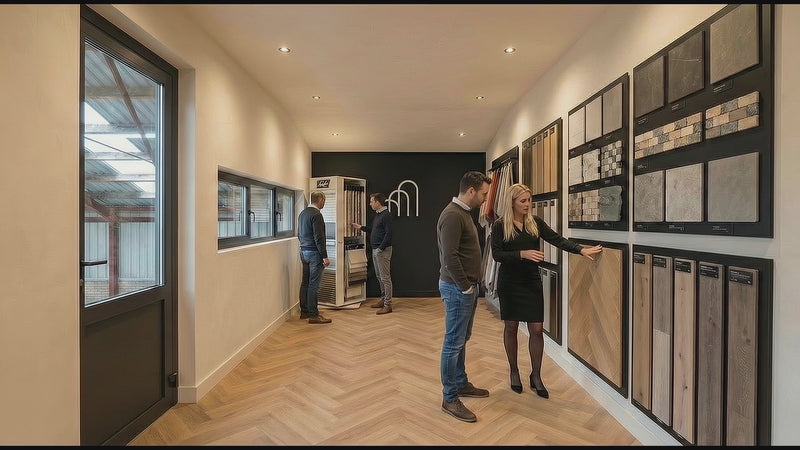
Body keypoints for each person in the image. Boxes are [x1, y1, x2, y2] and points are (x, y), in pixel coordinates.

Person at [491, 183, 602, 397]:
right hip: (510, 283)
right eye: (523, 201)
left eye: (529, 200)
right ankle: (514, 371)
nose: (527, 204)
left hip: (531, 281)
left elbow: (556, 239)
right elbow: (497, 255)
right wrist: (522, 254)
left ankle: (536, 375)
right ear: (512, 202)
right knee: (511, 327)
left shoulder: (535, 223)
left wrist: (580, 249)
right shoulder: (500, 225)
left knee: (536, 329)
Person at [436, 170, 492, 423]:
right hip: (458, 289)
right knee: (453, 343)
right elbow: (450, 256)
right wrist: (465, 287)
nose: (485, 198)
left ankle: (460, 383)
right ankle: (450, 398)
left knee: (461, 339)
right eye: (483, 194)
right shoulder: (452, 215)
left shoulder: (463, 213)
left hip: (465, 288)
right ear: (471, 191)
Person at [351, 192, 393, 315]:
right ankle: (383, 300)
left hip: (382, 251)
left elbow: (389, 234)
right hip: (377, 250)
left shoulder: (386, 215)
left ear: (377, 202)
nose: (370, 204)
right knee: (379, 277)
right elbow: (374, 230)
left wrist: (380, 248)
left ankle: (388, 305)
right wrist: (361, 227)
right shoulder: (378, 215)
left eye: (371, 201)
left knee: (385, 278)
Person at [297, 190, 332, 324]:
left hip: (303, 252)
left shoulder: (303, 213)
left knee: (305, 283)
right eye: (324, 200)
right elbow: (319, 238)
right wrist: (325, 256)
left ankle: (304, 312)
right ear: (320, 199)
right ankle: (314, 315)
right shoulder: (317, 215)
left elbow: (299, 234)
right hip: (314, 254)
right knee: (313, 285)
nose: (324, 203)